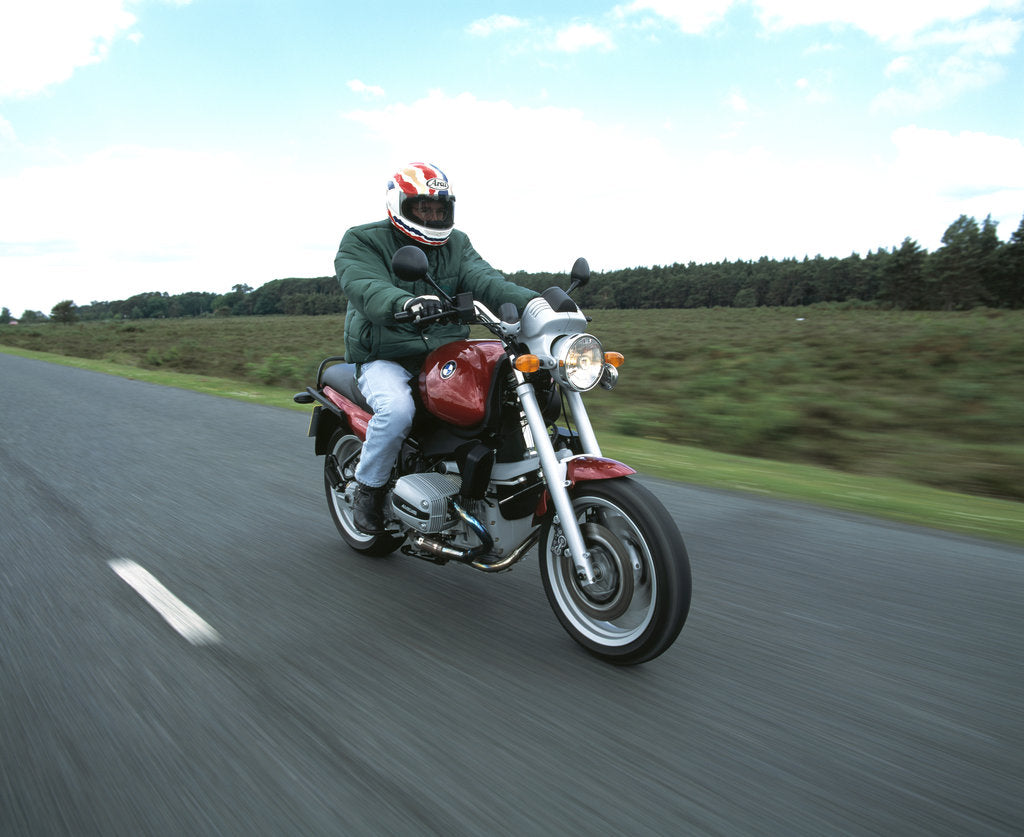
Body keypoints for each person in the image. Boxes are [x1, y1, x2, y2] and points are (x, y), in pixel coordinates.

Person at [335, 162, 538, 534]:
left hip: (445, 352)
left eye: (439, 209)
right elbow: (365, 286)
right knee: (396, 411)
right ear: (400, 205)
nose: (432, 216)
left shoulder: (456, 243)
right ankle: (369, 488)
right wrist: (404, 303)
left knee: (503, 394)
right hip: (386, 355)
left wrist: (538, 305)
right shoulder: (362, 240)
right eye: (423, 208)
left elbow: (486, 280)